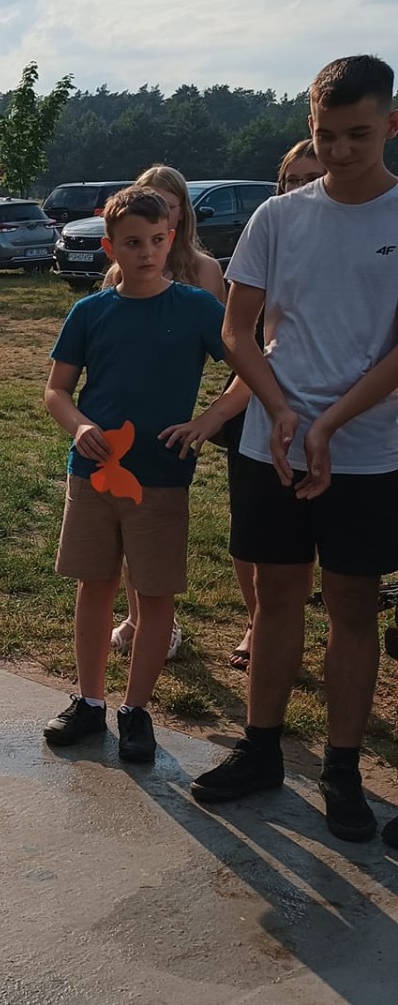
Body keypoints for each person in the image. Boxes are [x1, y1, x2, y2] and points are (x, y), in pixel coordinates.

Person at [193, 56, 398, 845]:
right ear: (309, 125)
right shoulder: (277, 218)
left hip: (367, 450)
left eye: (357, 135)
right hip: (269, 445)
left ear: (390, 125)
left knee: (351, 606)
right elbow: (236, 331)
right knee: (274, 598)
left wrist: (329, 424)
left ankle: (341, 770)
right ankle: (261, 750)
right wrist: (280, 412)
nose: (340, 151)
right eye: (326, 134)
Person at [43, 186, 229, 764]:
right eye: (131, 243)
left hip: (162, 477)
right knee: (94, 586)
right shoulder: (90, 312)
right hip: (94, 476)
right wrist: (79, 426)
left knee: (154, 595)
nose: (145, 253)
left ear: (171, 239)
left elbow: (251, 368)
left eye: (155, 240)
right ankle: (90, 702)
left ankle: (136, 710)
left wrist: (209, 420)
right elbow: (56, 390)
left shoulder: (198, 308)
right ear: (110, 248)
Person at [107, 164, 226, 659]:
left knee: (157, 530)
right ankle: (136, 616)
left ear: (180, 214)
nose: (155, 209)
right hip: (121, 428)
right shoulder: (122, 267)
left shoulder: (203, 271)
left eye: (167, 204)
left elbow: (226, 348)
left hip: (168, 424)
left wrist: (209, 417)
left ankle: (162, 620)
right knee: (125, 523)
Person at [224, 138, 326, 670]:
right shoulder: (271, 224)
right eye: (293, 180)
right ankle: (257, 623)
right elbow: (239, 332)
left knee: (344, 581)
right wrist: (267, 406)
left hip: (353, 425)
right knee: (260, 549)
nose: (302, 189)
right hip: (265, 401)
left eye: (314, 178)